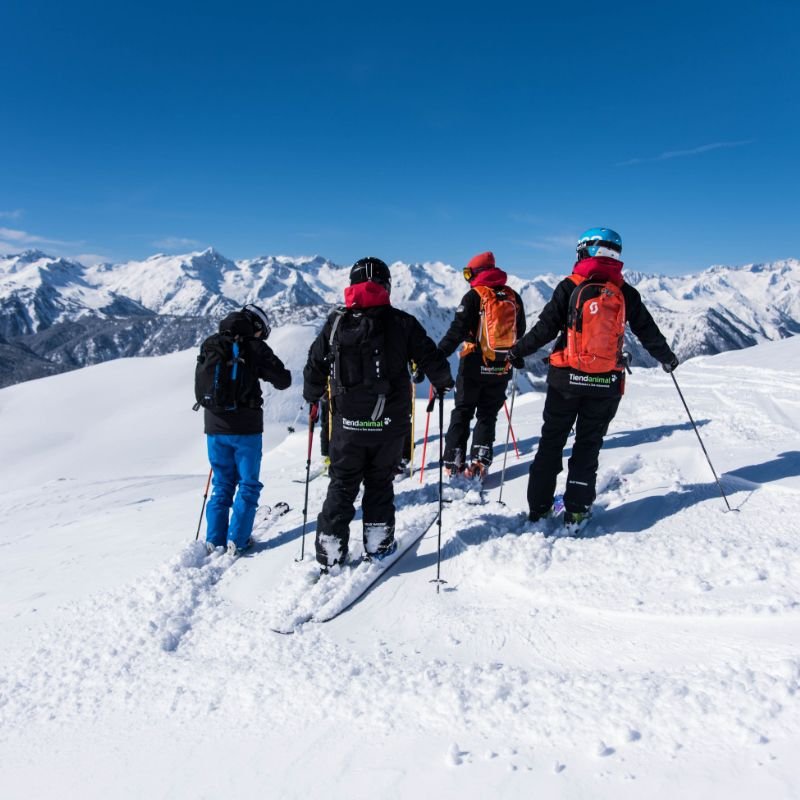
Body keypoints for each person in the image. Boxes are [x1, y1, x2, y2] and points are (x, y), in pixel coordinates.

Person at [507, 228, 678, 533]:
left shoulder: (569, 286)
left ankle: (539, 509)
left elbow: (543, 330)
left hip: (565, 381)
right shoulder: (624, 291)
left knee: (551, 443)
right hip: (605, 383)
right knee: (588, 446)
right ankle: (575, 512)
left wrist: (517, 352)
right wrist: (666, 357)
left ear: (585, 251)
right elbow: (647, 330)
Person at [303, 257, 453, 572]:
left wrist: (312, 395)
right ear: (386, 286)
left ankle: (330, 549)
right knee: (379, 483)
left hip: (347, 425)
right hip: (388, 425)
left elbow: (315, 363)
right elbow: (430, 356)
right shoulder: (402, 322)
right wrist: (443, 382)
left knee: (342, 484)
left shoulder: (336, 323)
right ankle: (378, 543)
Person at [202, 304, 291, 555]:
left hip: (214, 426)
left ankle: (214, 539)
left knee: (222, 483)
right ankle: (238, 540)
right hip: (246, 428)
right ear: (256, 326)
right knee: (248, 484)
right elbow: (283, 380)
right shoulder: (255, 347)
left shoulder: (211, 343)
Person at [438, 251, 526, 478]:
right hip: (500, 367)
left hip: (472, 365)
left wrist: (437, 356)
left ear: (478, 273)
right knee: (488, 414)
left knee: (463, 411)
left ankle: (453, 460)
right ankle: (480, 461)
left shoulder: (473, 296)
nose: (468, 279)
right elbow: (521, 330)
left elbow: (456, 332)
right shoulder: (513, 296)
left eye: (469, 273)